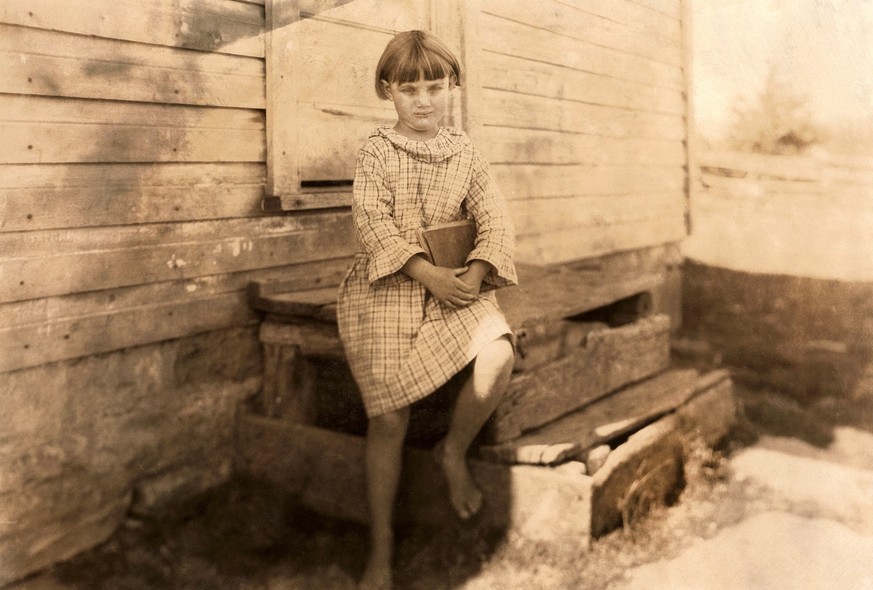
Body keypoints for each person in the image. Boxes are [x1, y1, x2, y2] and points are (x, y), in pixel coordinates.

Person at [336, 30, 518, 590]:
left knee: (497, 355)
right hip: (388, 287)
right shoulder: (376, 151)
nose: (423, 101)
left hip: (457, 283)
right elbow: (372, 224)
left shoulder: (464, 150)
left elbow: (494, 217)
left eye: (435, 88)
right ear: (387, 90)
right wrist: (427, 274)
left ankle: (453, 452)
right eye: (409, 89)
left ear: (451, 89)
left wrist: (477, 273)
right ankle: (382, 548)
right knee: (389, 416)